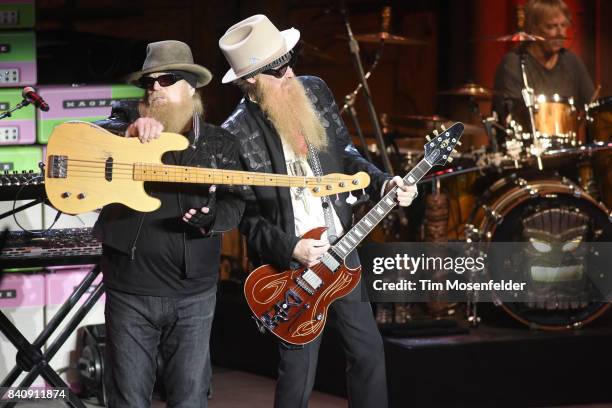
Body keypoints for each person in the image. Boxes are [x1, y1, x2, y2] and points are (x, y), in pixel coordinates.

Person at [219, 15, 418, 408]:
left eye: (289, 60)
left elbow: (346, 155)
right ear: (253, 78)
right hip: (293, 264)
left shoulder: (314, 91)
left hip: (342, 246)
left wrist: (383, 183)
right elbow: (248, 219)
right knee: (298, 372)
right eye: (277, 69)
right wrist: (292, 248)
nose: (289, 73)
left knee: (368, 352)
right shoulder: (236, 133)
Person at [93, 40, 245, 408]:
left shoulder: (220, 143)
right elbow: (90, 138)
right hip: (130, 291)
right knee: (127, 400)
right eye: (150, 82)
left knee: (190, 399)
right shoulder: (124, 125)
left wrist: (212, 220)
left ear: (190, 87)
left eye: (168, 79)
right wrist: (128, 134)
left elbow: (235, 202)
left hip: (193, 296)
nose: (155, 89)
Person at [493, 0, 595, 123]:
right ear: (533, 29)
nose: (560, 33)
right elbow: (508, 117)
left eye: (563, 25)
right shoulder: (513, 64)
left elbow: (593, 108)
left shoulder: (572, 62)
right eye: (551, 26)